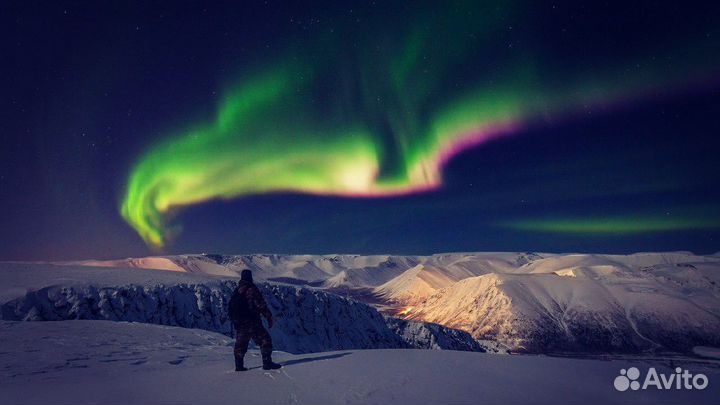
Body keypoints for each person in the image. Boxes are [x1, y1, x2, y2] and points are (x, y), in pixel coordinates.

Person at [228, 269, 281, 371]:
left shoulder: (238, 289)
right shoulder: (251, 289)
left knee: (240, 344)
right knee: (265, 340)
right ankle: (267, 363)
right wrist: (268, 316)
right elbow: (261, 305)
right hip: (252, 321)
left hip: (240, 323)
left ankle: (239, 366)